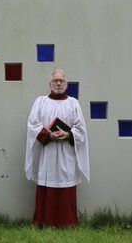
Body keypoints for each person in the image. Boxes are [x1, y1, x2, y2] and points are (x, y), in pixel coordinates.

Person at [24, 69, 90, 228]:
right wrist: (49, 135)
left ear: (66, 84)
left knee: (66, 184)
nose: (58, 83)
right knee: (47, 183)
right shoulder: (40, 102)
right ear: (50, 83)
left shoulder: (73, 103)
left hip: (66, 153)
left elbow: (81, 129)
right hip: (47, 153)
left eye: (61, 81)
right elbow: (33, 125)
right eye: (55, 81)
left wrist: (68, 135)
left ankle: (67, 222)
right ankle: (44, 221)